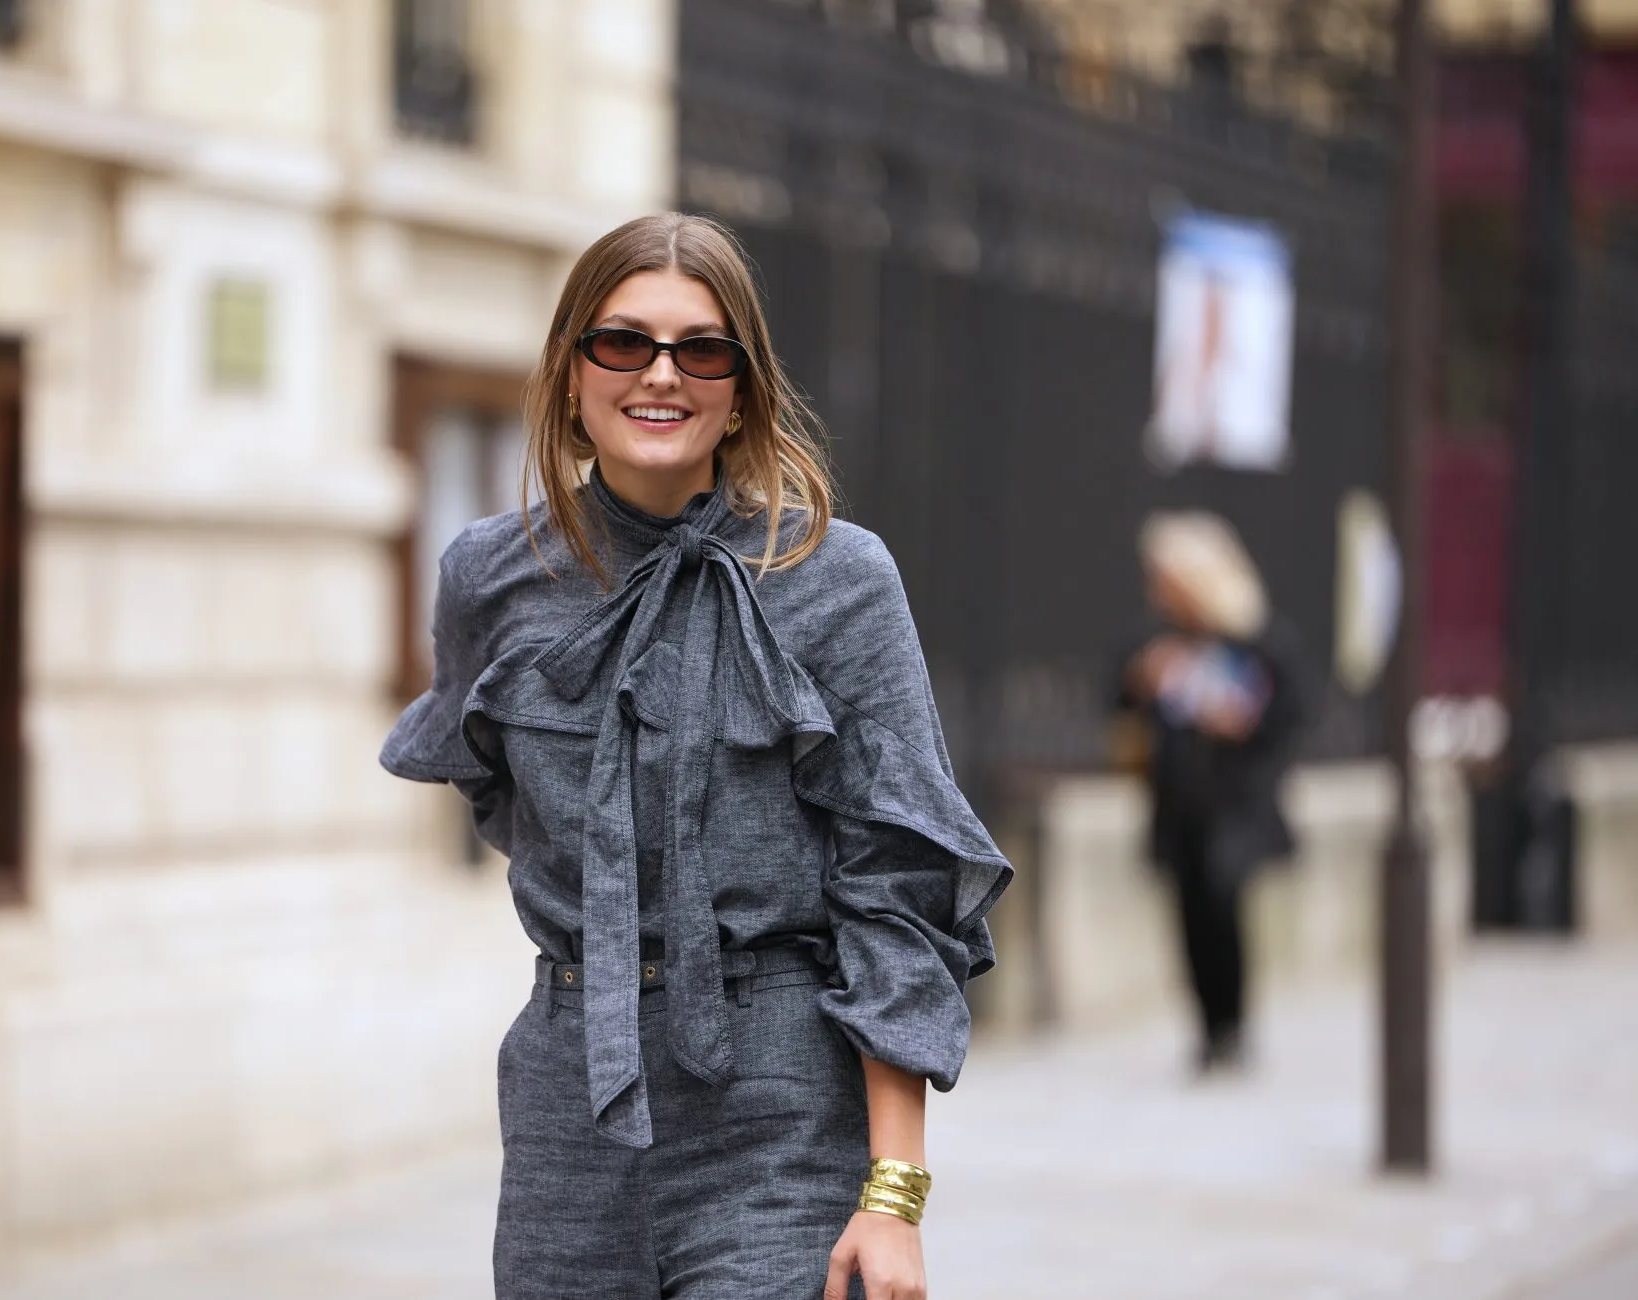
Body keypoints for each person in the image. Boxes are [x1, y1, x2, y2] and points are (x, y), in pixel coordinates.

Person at [380, 212, 1012, 1299]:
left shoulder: (836, 579)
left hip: (776, 1104)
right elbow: (503, 800)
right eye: (621, 342)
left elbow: (897, 893)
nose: (659, 374)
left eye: (700, 348)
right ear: (571, 371)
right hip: (565, 1102)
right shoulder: (490, 576)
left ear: (742, 386)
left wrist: (892, 1193)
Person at [1115, 511, 1305, 1074]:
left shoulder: (1259, 641)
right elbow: (1122, 713)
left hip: (1235, 803)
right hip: (1178, 804)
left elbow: (1291, 716)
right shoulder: (1156, 644)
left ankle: (1234, 1024)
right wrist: (1141, 684)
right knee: (1188, 914)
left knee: (1225, 909)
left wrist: (1243, 724)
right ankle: (1207, 1027)